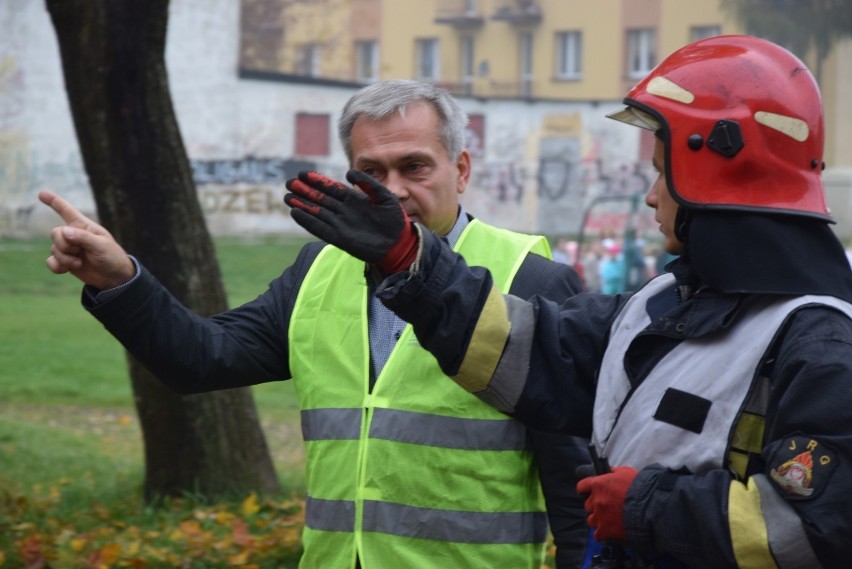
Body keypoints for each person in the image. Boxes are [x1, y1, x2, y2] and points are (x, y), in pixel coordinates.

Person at [283, 36, 852, 568]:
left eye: (661, 172)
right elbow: (532, 351)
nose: (651, 194)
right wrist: (409, 259)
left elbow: (822, 527)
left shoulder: (821, 343)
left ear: (715, 174)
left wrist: (644, 507)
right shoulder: (661, 305)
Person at [40, 80, 588, 568]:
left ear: (460, 170)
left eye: (414, 167)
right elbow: (200, 357)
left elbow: (575, 487)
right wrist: (120, 280)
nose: (392, 190)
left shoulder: (530, 278)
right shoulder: (317, 270)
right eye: (370, 173)